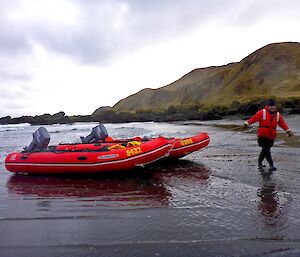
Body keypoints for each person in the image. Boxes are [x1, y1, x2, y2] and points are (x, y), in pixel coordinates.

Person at [243, 99, 293, 171]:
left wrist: (288, 131)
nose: (272, 108)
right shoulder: (262, 112)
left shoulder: (278, 115)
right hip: (262, 136)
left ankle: (260, 162)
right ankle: (271, 165)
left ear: (275, 107)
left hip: (271, 136)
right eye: (271, 107)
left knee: (266, 150)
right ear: (268, 106)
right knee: (266, 149)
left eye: (273, 107)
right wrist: (246, 124)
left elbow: (283, 124)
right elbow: (254, 118)